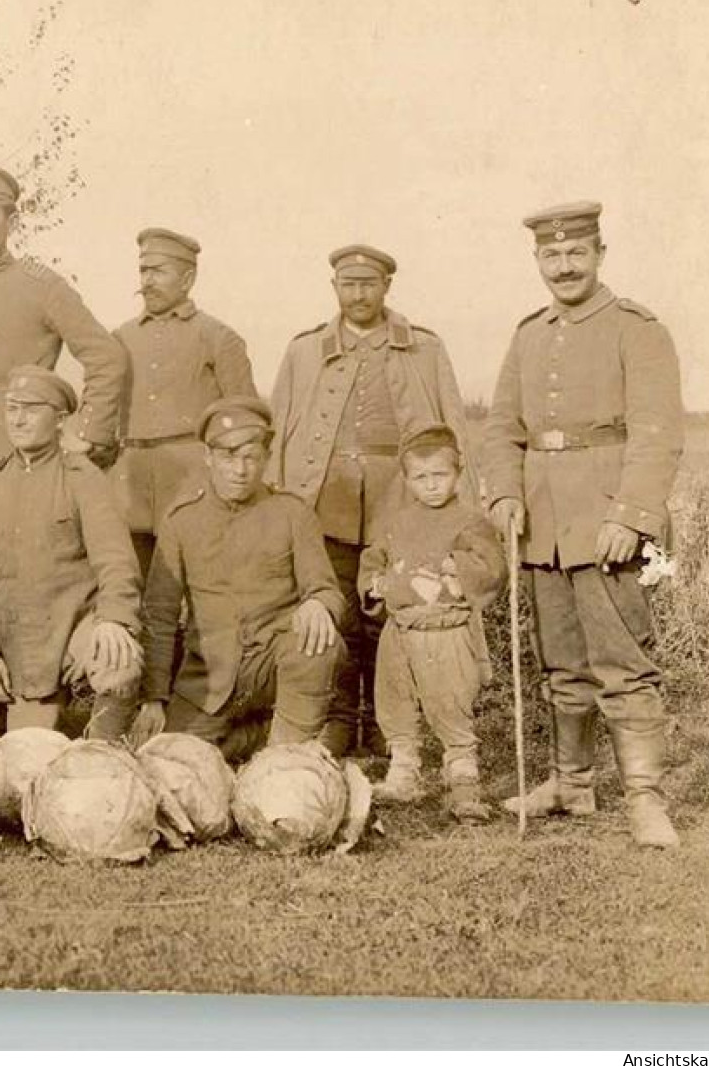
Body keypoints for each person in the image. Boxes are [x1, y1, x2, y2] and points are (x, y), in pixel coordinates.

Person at [483, 201, 685, 848]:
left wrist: (630, 515)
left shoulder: (637, 328)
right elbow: (501, 431)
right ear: (536, 260)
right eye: (551, 255)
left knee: (622, 664)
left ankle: (646, 800)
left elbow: (657, 434)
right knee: (561, 664)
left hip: (606, 524)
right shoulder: (528, 334)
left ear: (601, 254)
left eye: (576, 253)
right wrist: (504, 498)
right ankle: (571, 782)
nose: (563, 266)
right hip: (543, 527)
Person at [267, 243, 476, 760]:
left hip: (400, 498)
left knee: (394, 609)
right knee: (335, 608)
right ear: (334, 288)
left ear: (386, 288)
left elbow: (454, 426)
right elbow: (280, 430)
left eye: (368, 284)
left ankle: (390, 722)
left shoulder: (424, 348)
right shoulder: (304, 350)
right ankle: (338, 719)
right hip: (327, 499)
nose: (358, 295)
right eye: (348, 284)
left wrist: (465, 510)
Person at [133, 397, 344, 761]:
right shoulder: (181, 521)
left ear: (265, 459)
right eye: (229, 457)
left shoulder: (292, 513)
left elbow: (325, 588)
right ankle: (257, 738)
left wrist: (318, 603)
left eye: (251, 457)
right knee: (175, 761)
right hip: (209, 678)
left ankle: (285, 755)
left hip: (274, 663)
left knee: (318, 642)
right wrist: (154, 697)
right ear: (208, 457)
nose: (240, 469)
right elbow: (160, 616)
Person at [0, 164, 129, 509]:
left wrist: (86, 431)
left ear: (12, 224)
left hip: (23, 449)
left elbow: (107, 357)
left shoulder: (44, 287)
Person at [0, 365, 143, 739]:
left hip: (77, 621)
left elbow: (116, 561)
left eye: (31, 408)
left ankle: (104, 752)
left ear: (60, 419)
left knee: (119, 661)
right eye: (12, 408)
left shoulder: (82, 477)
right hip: (20, 638)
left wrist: (112, 620)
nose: (19, 418)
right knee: (33, 753)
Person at [358, 425, 504, 819]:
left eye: (439, 475)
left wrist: (458, 568)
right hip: (400, 629)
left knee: (450, 705)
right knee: (396, 703)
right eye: (420, 478)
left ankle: (463, 782)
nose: (431, 486)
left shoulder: (471, 520)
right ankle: (404, 772)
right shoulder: (396, 520)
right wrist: (374, 584)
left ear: (457, 473)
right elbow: (374, 558)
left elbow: (492, 568)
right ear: (406, 480)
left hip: (446, 630)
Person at [112, 227, 257, 576]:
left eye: (158, 271)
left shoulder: (219, 339)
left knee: (197, 580)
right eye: (144, 271)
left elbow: (246, 424)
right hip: (129, 486)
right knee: (133, 580)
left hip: (192, 484)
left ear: (188, 278)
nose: (147, 281)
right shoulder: (120, 338)